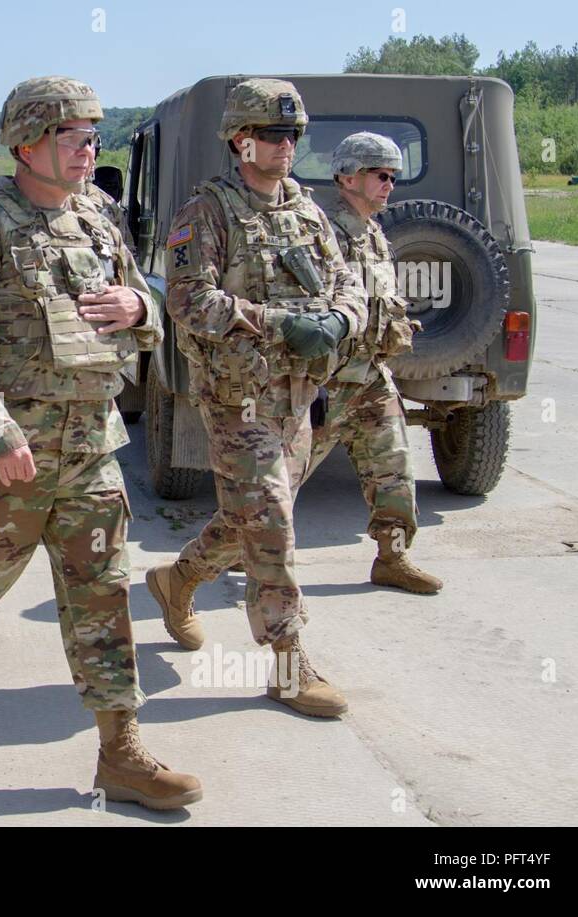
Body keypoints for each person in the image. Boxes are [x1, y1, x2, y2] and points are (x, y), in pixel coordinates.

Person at [0, 77, 201, 811]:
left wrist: (139, 305)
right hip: (10, 460)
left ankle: (120, 750)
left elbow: (143, 305)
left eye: (93, 136)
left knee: (103, 598)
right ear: (26, 141)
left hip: (92, 448)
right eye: (73, 137)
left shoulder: (98, 212)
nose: (88, 150)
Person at [146, 79, 367, 718]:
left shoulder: (306, 209)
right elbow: (187, 300)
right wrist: (276, 323)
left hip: (297, 399)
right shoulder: (207, 212)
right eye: (274, 134)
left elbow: (347, 283)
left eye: (294, 135)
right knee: (272, 524)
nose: (286, 146)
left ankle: (176, 580)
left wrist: (341, 321)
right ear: (241, 140)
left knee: (250, 517)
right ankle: (290, 666)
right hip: (237, 402)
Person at [306, 131, 442, 594]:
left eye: (393, 177)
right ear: (346, 177)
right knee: (277, 477)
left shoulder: (373, 233)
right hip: (327, 380)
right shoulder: (323, 235)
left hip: (370, 376)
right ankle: (230, 553)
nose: (389, 185)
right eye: (379, 175)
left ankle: (393, 556)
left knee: (395, 469)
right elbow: (310, 309)